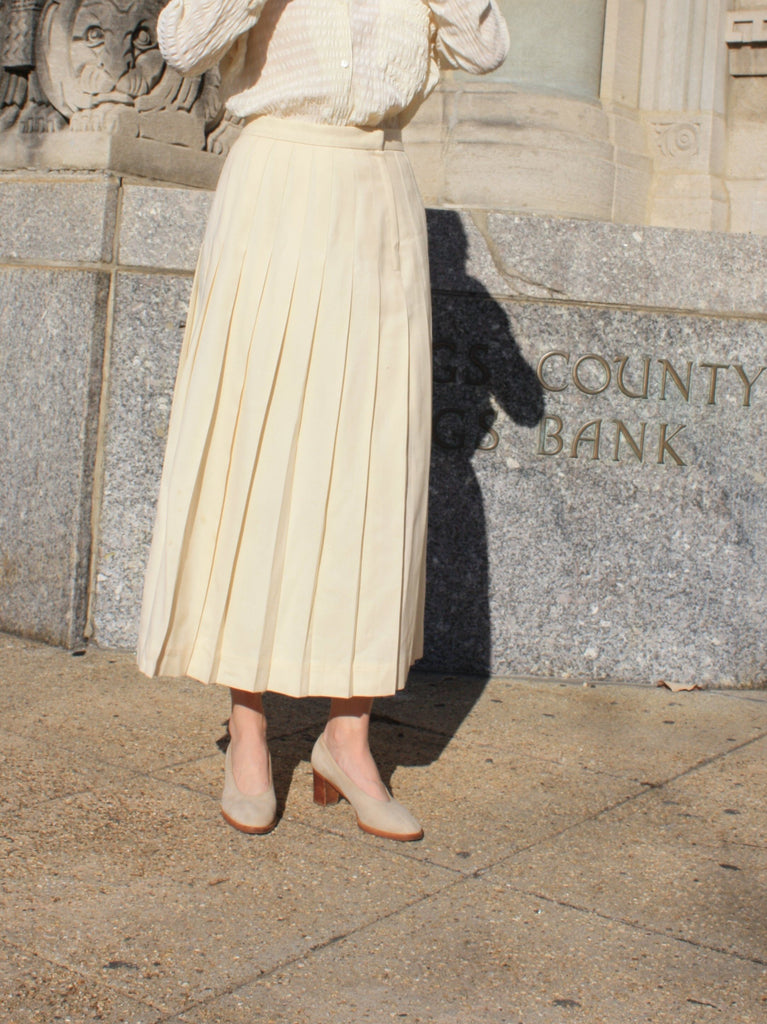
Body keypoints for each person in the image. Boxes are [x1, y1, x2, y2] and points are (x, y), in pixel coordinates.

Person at [137, 0, 510, 840]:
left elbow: (483, 49)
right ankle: (250, 730)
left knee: (370, 468)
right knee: (257, 449)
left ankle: (349, 736)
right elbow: (183, 42)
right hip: (276, 194)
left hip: (377, 194)